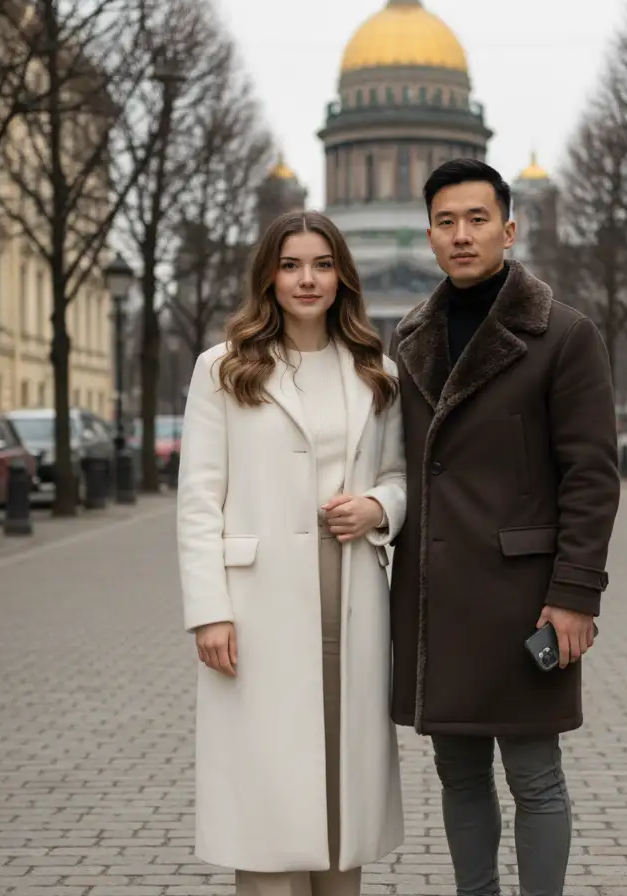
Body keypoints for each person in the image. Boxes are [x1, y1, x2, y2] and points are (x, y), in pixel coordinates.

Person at [387, 159, 621, 896]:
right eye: (447, 222)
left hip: (527, 595)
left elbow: (591, 475)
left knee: (534, 773)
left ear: (509, 229)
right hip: (438, 596)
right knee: (457, 772)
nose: (462, 235)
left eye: (478, 219)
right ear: (429, 235)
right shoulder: (408, 338)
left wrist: (576, 594)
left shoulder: (564, 335)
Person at [176, 210, 407, 896]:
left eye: (322, 264)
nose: (307, 279)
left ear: (343, 276)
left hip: (352, 596)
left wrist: (379, 508)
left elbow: (398, 477)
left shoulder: (376, 370)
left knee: (344, 795)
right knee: (269, 802)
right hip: (259, 606)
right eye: (291, 265)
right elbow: (198, 499)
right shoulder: (223, 370)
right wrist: (208, 612)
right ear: (268, 277)